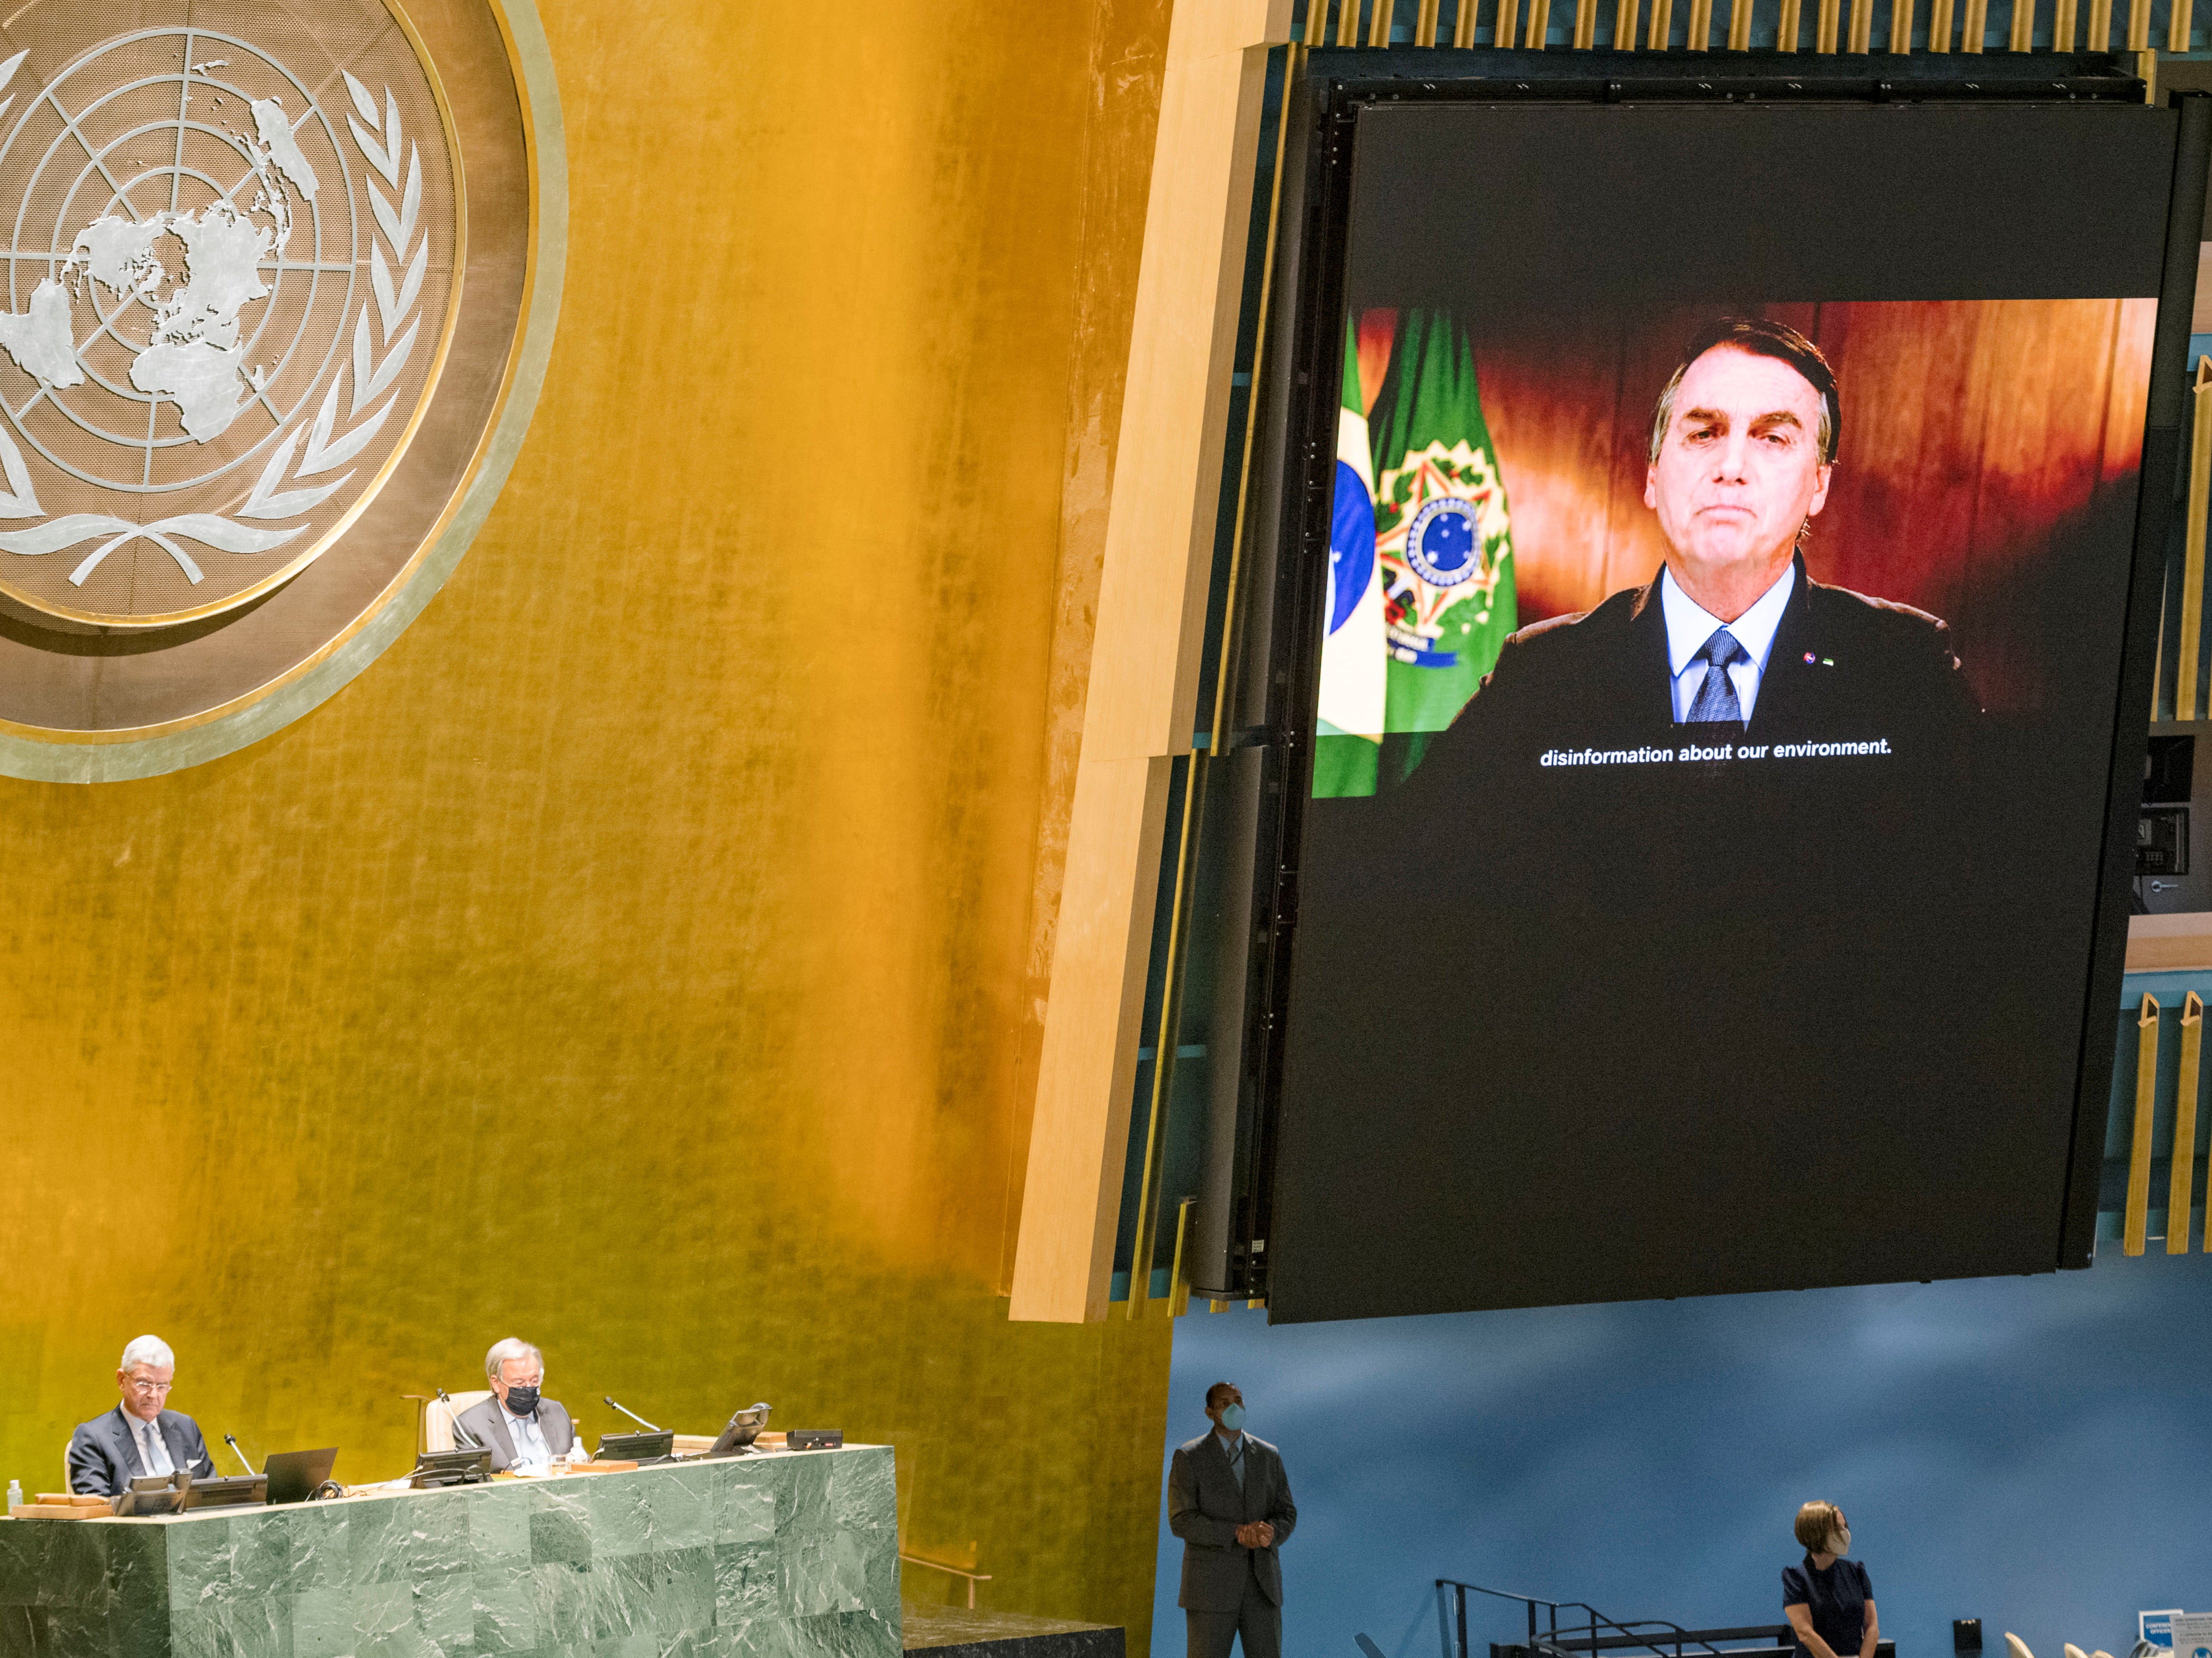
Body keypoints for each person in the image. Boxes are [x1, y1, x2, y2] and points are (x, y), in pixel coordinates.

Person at [1412, 316, 1980, 767]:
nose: (1731, 466)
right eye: (1704, 433)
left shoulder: (1909, 665)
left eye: (1773, 437)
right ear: (1654, 475)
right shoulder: (1539, 673)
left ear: (1819, 484)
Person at [1168, 1382, 1297, 1658]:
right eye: (1225, 1403)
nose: (1235, 1407)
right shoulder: (1189, 1457)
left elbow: (1287, 1513)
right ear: (1209, 1412)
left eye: (1238, 1400)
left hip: (1263, 1588)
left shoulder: (1268, 1455)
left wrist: (1271, 1531)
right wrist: (1236, 1532)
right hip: (1210, 1589)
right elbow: (1182, 1520)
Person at [66, 1334, 218, 1497]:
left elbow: (209, 1494)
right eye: (144, 1384)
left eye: (162, 1386)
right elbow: (97, 1508)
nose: (153, 1394)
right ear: (122, 1380)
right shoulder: (94, 1437)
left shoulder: (186, 1426)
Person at [452, 1338, 579, 1472]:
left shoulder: (557, 1412)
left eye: (534, 1380)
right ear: (496, 1383)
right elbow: (474, 1484)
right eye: (519, 1383)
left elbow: (582, 1465)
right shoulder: (472, 1426)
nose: (529, 1387)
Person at [1784, 1500, 1877, 1658]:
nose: (1845, 1533)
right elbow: (1805, 1632)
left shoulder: (1857, 1572)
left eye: (1845, 1527)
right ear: (1816, 1533)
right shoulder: (1797, 1578)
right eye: (1837, 1529)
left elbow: (1872, 1626)